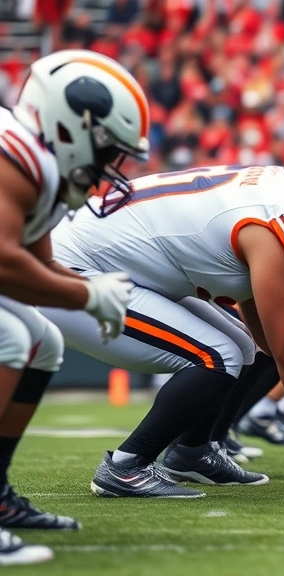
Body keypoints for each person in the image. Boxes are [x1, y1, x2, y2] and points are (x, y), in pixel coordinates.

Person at [43, 138, 284, 502]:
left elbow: (265, 333)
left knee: (244, 348)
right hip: (73, 268)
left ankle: (192, 452)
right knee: (218, 355)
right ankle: (126, 466)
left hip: (114, 261)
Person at [0, 49, 151, 565]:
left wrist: (92, 291)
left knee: (44, 341)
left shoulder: (38, 165)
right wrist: (87, 296)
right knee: (10, 337)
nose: (109, 166)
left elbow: (38, 263)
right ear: (71, 125)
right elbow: (5, 263)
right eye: (107, 148)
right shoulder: (17, 155)